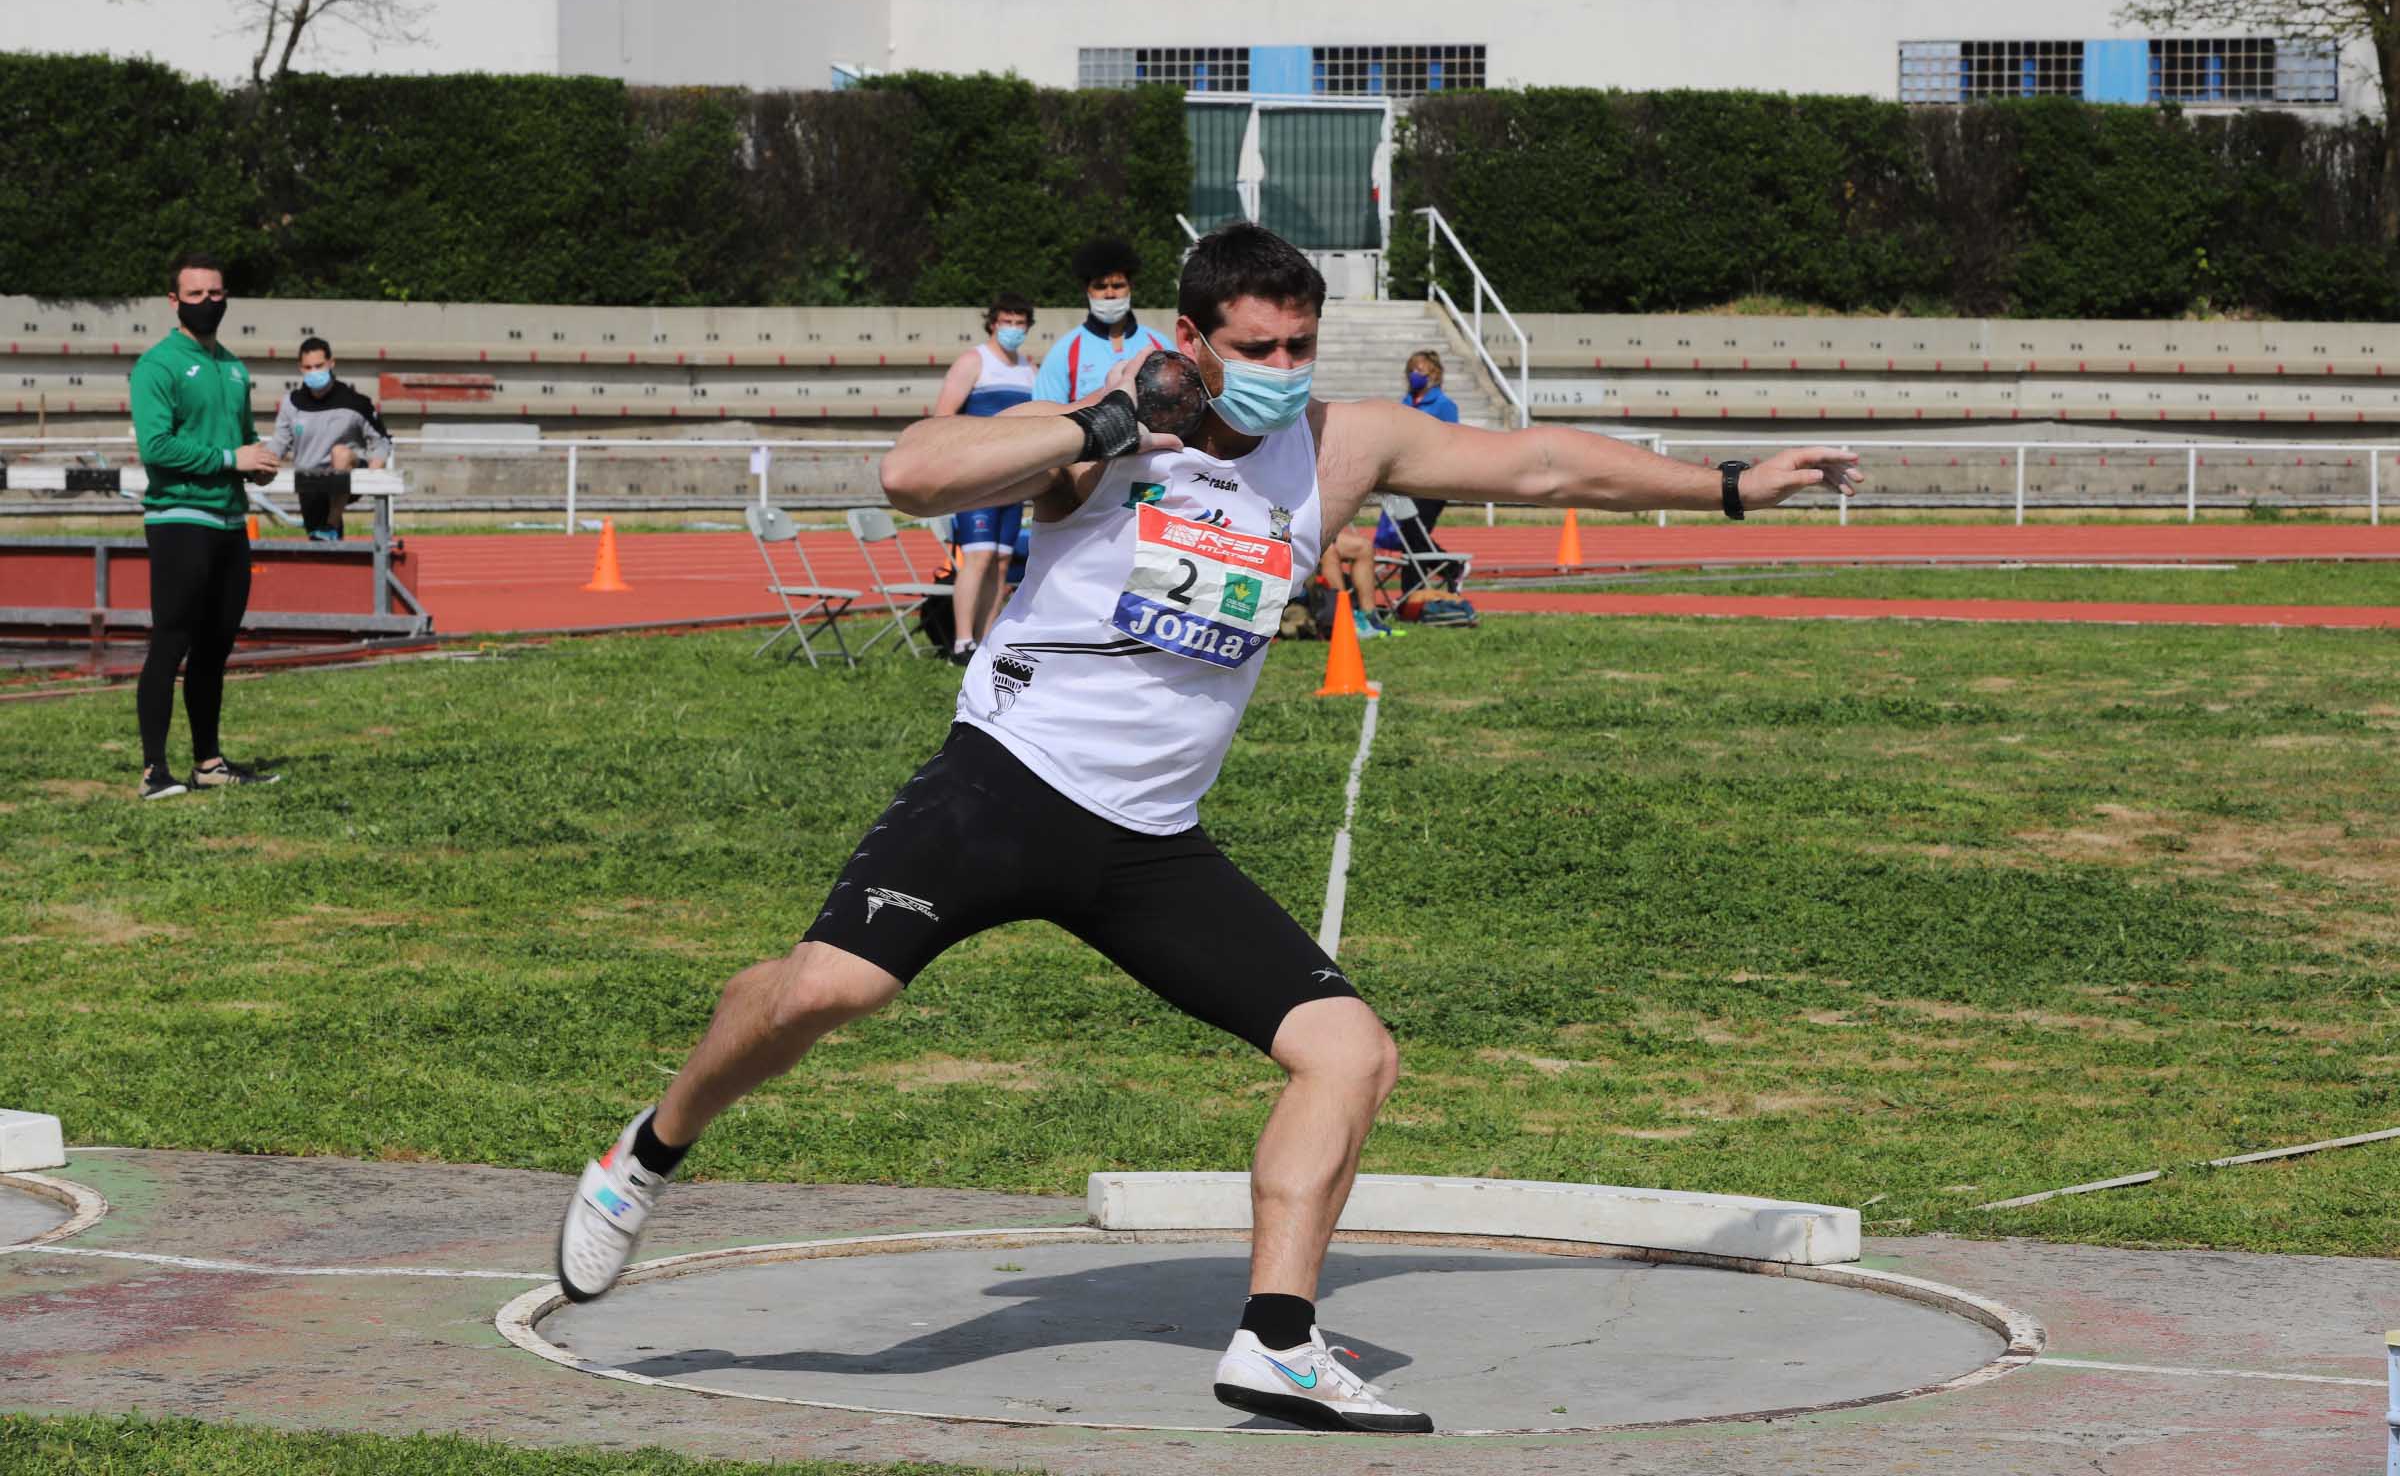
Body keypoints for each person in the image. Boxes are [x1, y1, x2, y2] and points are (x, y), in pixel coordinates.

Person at [553, 224, 1861, 1434]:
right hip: (1004, 782)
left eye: (1301, 348)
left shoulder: (1342, 448)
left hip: (1149, 843)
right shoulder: (1113, 434)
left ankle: (1277, 1340)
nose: (1283, 372)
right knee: (828, 991)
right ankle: (650, 1148)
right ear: (1193, 343)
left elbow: (1543, 460)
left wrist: (1735, 483)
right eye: (1256, 349)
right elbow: (912, 474)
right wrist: (1105, 416)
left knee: (1349, 1054)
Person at [128, 253, 283, 800]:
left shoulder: (235, 368)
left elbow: (241, 441)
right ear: (174, 302)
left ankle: (208, 763)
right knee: (170, 642)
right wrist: (229, 460)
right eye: (194, 295)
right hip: (179, 518)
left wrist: (258, 464)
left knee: (215, 647)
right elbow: (158, 447)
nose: (206, 304)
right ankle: (153, 772)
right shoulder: (157, 366)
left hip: (229, 521)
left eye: (215, 294)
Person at [933, 295, 1038, 663]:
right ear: (992, 323)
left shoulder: (1029, 368)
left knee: (1000, 561)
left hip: (1012, 476)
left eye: (1019, 323)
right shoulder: (973, 361)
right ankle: (961, 641)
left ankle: (985, 637)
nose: (1012, 329)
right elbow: (943, 418)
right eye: (1006, 321)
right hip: (977, 475)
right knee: (976, 558)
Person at [1376, 350, 1474, 625]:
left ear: (1435, 374)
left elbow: (1449, 442)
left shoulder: (1443, 405)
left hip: (1433, 481)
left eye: (1421, 369)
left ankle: (1444, 572)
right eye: (1412, 369)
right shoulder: (1406, 402)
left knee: (1414, 534)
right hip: (1405, 480)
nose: (1415, 374)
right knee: (1409, 539)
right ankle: (1415, 597)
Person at [266, 337, 392, 541]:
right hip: (310, 480)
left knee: (339, 453)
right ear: (300, 368)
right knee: (319, 544)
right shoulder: (291, 403)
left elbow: (381, 441)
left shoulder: (355, 403)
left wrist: (374, 473)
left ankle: (332, 521)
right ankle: (330, 535)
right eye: (308, 367)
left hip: (348, 474)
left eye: (319, 366)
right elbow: (279, 443)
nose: (314, 372)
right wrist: (261, 462)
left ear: (331, 363)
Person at [1031, 235, 1173, 406]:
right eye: (1100, 286)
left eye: (1118, 286)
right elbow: (1044, 413)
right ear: (1087, 290)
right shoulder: (1065, 351)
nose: (1110, 294)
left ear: (1130, 287)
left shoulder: (1159, 344)